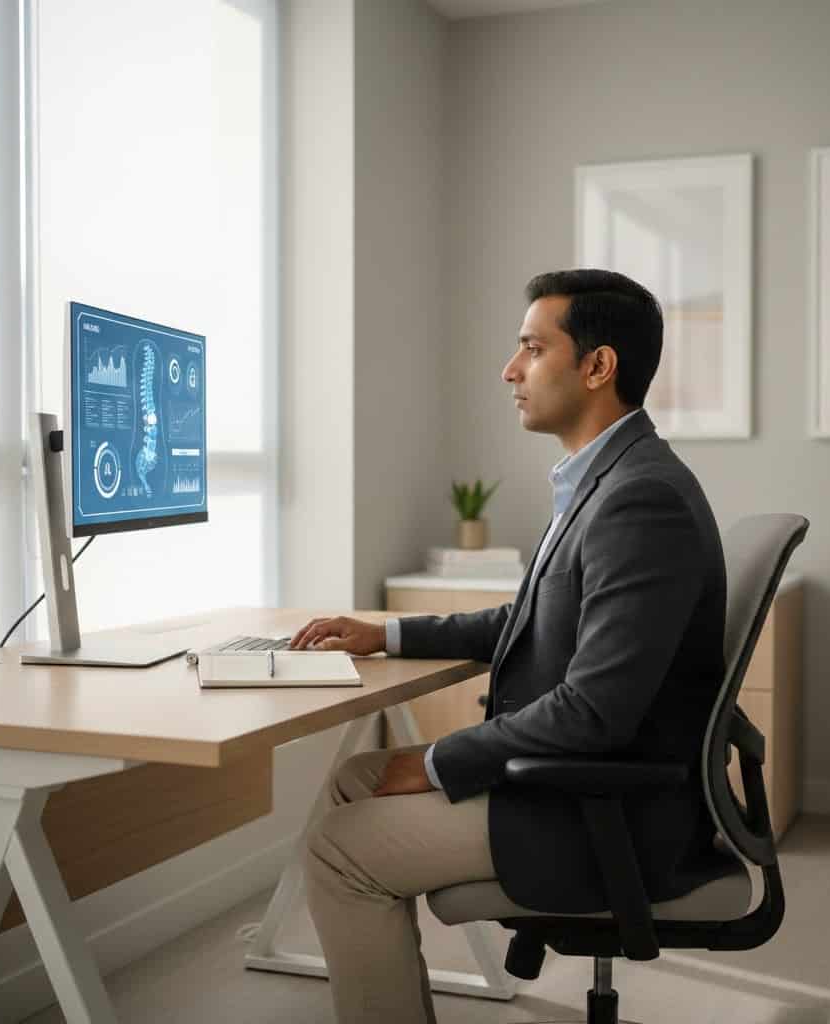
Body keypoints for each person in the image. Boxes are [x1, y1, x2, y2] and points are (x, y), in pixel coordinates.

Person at [289, 268, 727, 1024]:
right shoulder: (605, 478)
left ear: (598, 366)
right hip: (582, 780)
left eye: (532, 347)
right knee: (354, 778)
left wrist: (434, 762)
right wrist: (385, 633)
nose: (509, 369)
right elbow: (528, 619)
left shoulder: (639, 499)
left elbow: (594, 712)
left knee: (337, 850)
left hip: (607, 811)